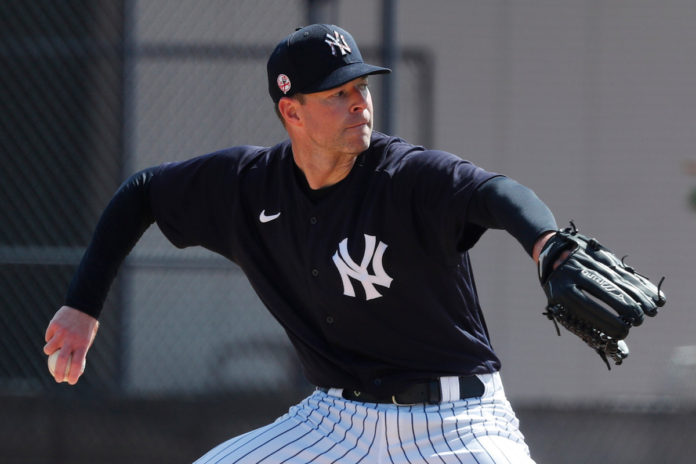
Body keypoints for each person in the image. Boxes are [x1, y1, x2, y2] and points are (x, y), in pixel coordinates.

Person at [44, 24, 560, 463]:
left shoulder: (406, 175)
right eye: (338, 93)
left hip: (458, 422)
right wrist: (81, 306)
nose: (359, 101)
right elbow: (143, 194)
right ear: (292, 112)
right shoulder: (249, 187)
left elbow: (496, 193)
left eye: (362, 86)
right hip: (336, 421)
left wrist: (549, 245)